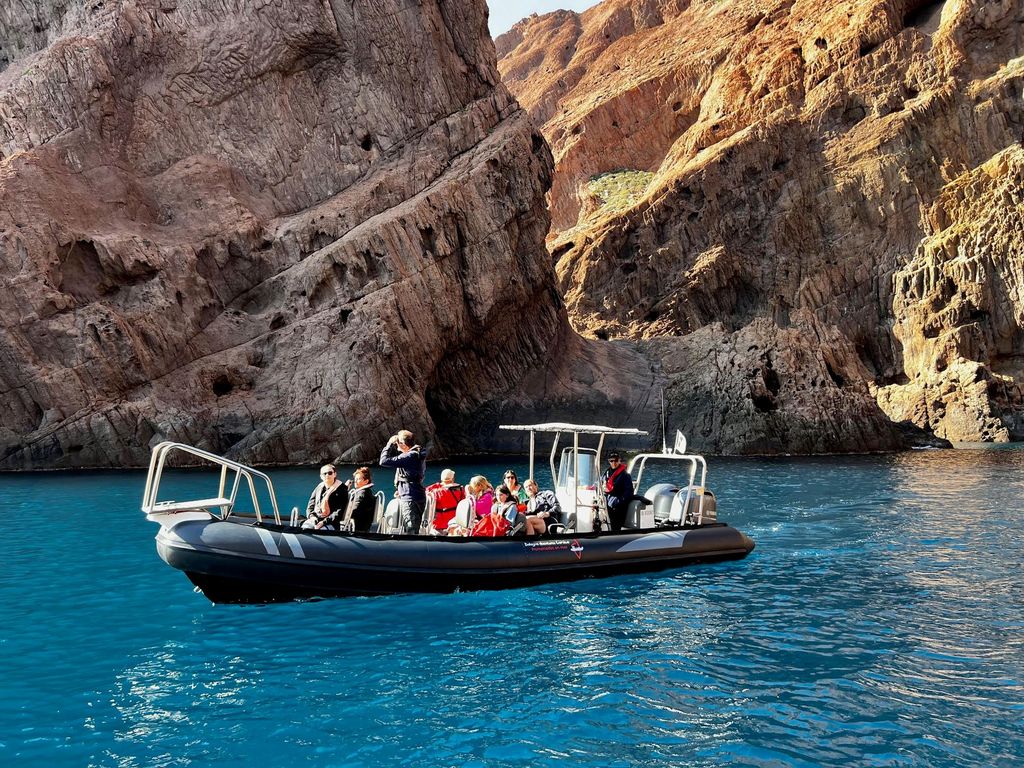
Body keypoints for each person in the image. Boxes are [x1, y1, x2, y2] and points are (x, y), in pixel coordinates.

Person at [379, 429, 427, 534]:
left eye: (398, 443)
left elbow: (383, 461)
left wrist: (389, 445)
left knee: (411, 529)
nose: (396, 445)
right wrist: (400, 490)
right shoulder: (417, 454)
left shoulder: (409, 456)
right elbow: (408, 475)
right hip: (414, 494)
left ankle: (412, 549)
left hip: (410, 497)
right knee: (411, 527)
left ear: (404, 445)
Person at [302, 463, 349, 531]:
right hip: (315, 519)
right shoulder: (319, 487)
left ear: (334, 474)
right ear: (321, 476)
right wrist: (312, 517)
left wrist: (323, 522)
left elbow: (339, 512)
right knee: (304, 530)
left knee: (320, 533)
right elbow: (310, 505)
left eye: (330, 473)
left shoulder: (341, 490)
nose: (327, 475)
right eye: (325, 473)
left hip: (331, 523)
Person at [601, 452, 634, 532]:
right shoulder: (607, 473)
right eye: (611, 461)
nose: (613, 463)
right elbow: (601, 484)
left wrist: (618, 501)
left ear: (619, 461)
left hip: (618, 507)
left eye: (616, 460)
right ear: (609, 461)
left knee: (615, 527)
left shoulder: (625, 475)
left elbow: (629, 493)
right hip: (606, 503)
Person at [426, 469, 465, 533]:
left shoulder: (437, 492)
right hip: (455, 523)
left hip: (440, 526)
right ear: (452, 478)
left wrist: (438, 484)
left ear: (441, 479)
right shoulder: (461, 489)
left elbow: (426, 492)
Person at [344, 466, 377, 532]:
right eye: (355, 479)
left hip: (357, 528)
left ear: (366, 481)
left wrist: (344, 490)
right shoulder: (366, 491)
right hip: (361, 527)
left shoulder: (362, 493)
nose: (355, 481)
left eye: (358, 479)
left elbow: (353, 512)